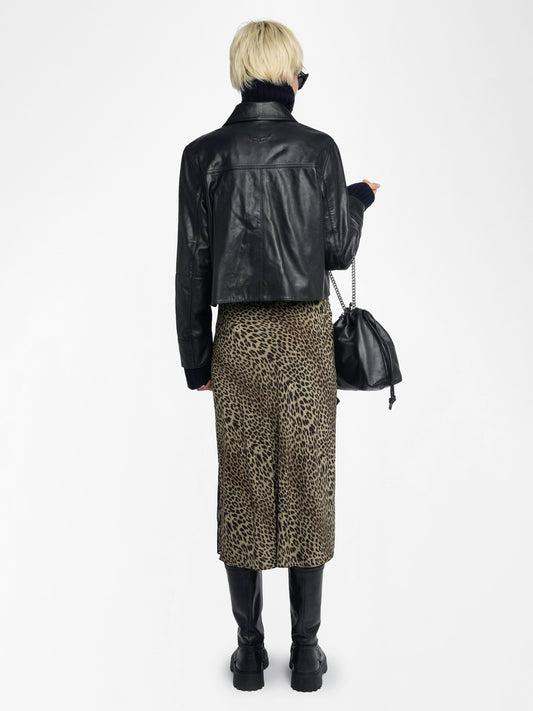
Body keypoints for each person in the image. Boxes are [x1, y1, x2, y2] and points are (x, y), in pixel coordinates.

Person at [175, 19, 380, 692]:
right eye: (301, 71)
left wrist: (196, 360)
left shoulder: (202, 155)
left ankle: (247, 652)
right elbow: (337, 250)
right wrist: (356, 199)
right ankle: (308, 653)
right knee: (307, 484)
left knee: (242, 487)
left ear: (242, 74)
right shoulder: (318, 150)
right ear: (287, 75)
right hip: (304, 337)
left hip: (237, 338)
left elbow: (191, 266)